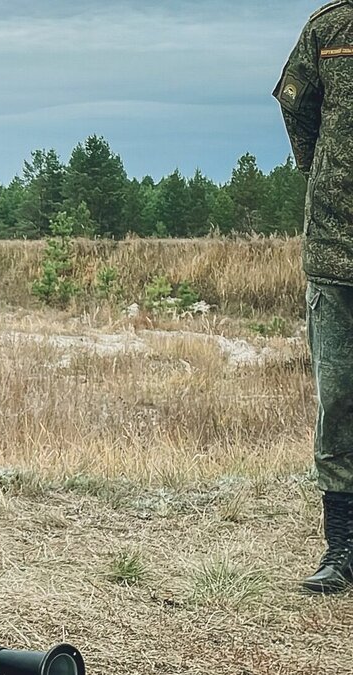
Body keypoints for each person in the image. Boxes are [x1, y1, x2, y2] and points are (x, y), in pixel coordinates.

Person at [274, 0, 353, 594]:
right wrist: (318, 164)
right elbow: (293, 97)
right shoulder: (330, 28)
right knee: (340, 399)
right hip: (335, 248)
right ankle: (342, 549)